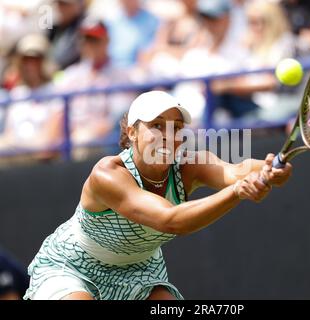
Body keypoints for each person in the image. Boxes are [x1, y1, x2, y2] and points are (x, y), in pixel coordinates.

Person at [24, 90, 292, 300]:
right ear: (132, 132)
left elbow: (237, 170)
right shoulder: (108, 174)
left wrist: (269, 170)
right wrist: (237, 192)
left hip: (141, 270)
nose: (169, 136)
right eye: (156, 126)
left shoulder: (189, 165)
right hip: (72, 267)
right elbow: (170, 220)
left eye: (176, 127)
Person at [54, 17, 133, 159]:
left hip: (101, 141)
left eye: (95, 40)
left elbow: (115, 120)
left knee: (82, 143)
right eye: (86, 39)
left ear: (106, 41)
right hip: (71, 135)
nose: (89, 45)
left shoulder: (120, 75)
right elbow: (57, 112)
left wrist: (84, 133)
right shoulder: (71, 74)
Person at [0, 33, 63, 161]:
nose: (30, 65)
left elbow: (51, 140)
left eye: (35, 60)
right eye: (26, 60)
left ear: (44, 61)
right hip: (15, 155)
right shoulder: (16, 93)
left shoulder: (55, 91)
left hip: (41, 158)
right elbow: (8, 133)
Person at [106, 0, 160, 67]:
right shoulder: (110, 21)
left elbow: (152, 50)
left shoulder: (153, 20)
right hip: (111, 69)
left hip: (138, 69)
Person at [48, 0, 86, 70]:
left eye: (64, 4)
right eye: (59, 4)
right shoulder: (54, 28)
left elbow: (62, 59)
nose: (60, 8)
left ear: (78, 6)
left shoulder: (83, 28)